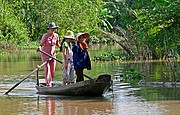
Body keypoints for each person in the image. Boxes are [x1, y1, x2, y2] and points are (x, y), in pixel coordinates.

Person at [37, 22, 61, 87]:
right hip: (45, 55)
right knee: (47, 69)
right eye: (51, 29)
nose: (53, 30)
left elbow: (57, 44)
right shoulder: (45, 36)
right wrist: (39, 47)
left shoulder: (56, 35)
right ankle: (48, 84)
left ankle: (50, 81)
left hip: (53, 55)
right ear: (49, 29)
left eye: (54, 29)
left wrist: (62, 48)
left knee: (52, 71)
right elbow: (41, 44)